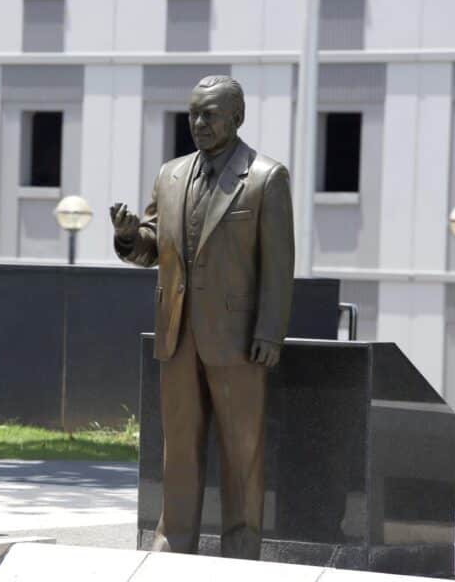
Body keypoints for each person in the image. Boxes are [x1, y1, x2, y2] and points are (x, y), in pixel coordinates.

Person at [110, 75, 294, 559]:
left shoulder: (266, 178)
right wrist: (131, 237)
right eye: (193, 114)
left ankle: (241, 552)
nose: (199, 123)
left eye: (209, 114)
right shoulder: (170, 175)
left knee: (242, 454)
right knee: (179, 451)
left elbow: (278, 265)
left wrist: (270, 332)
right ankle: (174, 545)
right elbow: (153, 247)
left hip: (236, 339)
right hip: (177, 335)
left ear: (237, 116)